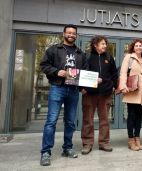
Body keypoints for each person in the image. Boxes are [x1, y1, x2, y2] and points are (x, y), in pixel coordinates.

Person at [40, 24, 88, 166]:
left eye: (74, 33)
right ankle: (46, 152)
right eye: (69, 33)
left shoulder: (80, 53)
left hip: (73, 90)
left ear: (76, 35)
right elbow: (44, 65)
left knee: (70, 122)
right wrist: (56, 71)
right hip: (57, 87)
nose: (71, 35)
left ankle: (67, 148)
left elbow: (84, 72)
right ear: (64, 34)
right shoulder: (54, 49)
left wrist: (83, 87)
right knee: (51, 121)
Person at [80, 35, 118, 155]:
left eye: (105, 44)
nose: (105, 46)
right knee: (88, 119)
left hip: (105, 93)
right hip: (89, 93)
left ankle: (104, 142)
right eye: (102, 44)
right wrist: (81, 88)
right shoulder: (86, 56)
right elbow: (80, 73)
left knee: (105, 120)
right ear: (95, 45)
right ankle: (87, 143)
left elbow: (114, 74)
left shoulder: (109, 57)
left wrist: (115, 86)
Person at [118, 39, 142, 151]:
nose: (138, 47)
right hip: (132, 91)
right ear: (133, 47)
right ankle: (131, 140)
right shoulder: (129, 58)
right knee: (131, 116)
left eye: (140, 46)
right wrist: (123, 86)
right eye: (136, 46)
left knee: (139, 117)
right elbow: (123, 72)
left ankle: (138, 139)